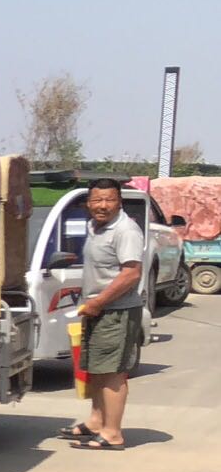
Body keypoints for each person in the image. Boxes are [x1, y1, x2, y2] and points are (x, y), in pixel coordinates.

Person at [60, 179, 146, 451]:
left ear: (119, 202)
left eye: (109, 200)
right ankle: (97, 422)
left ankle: (112, 434)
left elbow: (131, 273)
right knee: (97, 368)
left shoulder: (125, 230)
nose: (103, 205)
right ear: (88, 203)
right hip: (97, 309)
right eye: (97, 200)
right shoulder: (94, 226)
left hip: (116, 311)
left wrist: (100, 301)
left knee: (112, 372)